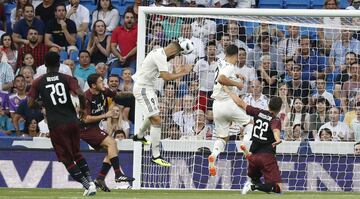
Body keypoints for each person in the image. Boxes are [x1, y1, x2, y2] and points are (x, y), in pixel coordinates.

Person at [27, 52, 96, 196]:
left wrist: (42, 101)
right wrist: (83, 109)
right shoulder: (67, 78)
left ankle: (86, 185)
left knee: (65, 158)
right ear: (59, 65)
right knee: (77, 153)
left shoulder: (38, 81)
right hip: (72, 121)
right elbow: (81, 94)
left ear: (45, 65)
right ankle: (91, 182)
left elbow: (30, 103)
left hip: (56, 124)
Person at [131, 40, 193, 167]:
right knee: (157, 120)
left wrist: (176, 73)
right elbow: (166, 78)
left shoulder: (158, 53)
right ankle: (156, 156)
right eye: (176, 55)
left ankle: (139, 135)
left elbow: (159, 74)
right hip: (143, 89)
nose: (174, 57)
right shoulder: (160, 56)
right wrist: (184, 72)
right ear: (175, 51)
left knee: (153, 114)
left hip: (148, 88)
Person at [223, 86, 283, 195]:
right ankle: (252, 186)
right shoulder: (276, 120)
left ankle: (253, 183)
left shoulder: (258, 112)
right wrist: (278, 139)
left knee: (256, 178)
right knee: (278, 188)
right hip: (266, 156)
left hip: (253, 157)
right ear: (279, 109)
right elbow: (275, 130)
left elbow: (240, 103)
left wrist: (228, 91)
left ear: (268, 105)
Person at [81, 73, 134, 192]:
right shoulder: (85, 98)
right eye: (100, 82)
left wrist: (134, 94)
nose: (103, 84)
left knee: (114, 149)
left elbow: (117, 95)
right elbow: (86, 119)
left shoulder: (103, 91)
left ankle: (100, 178)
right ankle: (118, 174)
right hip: (85, 129)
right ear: (93, 85)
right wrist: (106, 115)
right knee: (111, 143)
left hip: (94, 127)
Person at [208, 44, 251, 176]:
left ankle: (213, 155)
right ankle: (245, 145)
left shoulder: (221, 62)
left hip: (216, 106)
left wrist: (236, 74)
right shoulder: (230, 66)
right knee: (249, 124)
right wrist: (237, 83)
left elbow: (222, 73)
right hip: (227, 102)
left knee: (223, 137)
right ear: (237, 56)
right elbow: (221, 78)